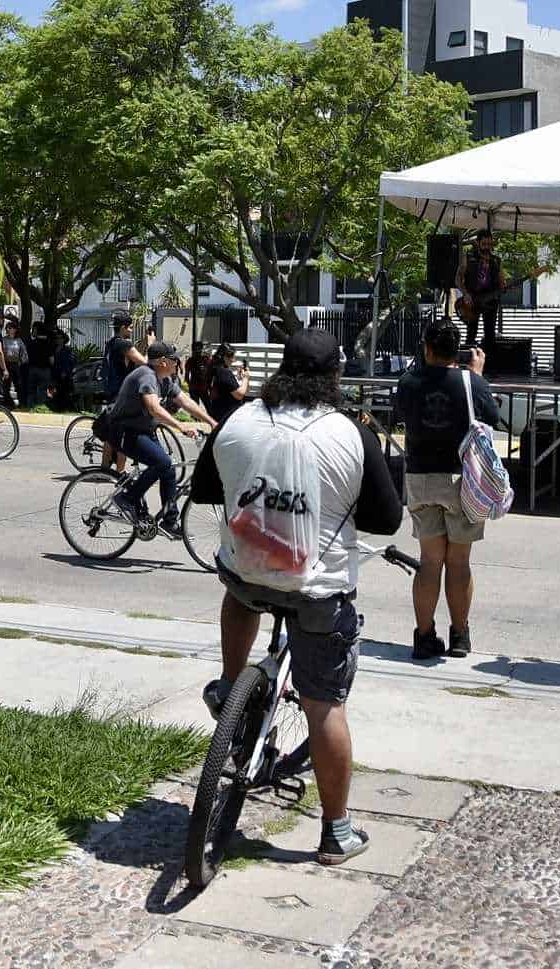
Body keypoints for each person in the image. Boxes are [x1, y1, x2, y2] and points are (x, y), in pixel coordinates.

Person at [207, 329, 404, 866]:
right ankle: (336, 832)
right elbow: (386, 520)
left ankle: (229, 688)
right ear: (335, 375)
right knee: (325, 707)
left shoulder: (239, 419)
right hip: (318, 590)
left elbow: (204, 488)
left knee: (241, 591)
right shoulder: (349, 432)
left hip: (246, 568)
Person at [395, 318, 505, 661]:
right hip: (463, 480)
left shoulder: (408, 381)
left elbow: (401, 416)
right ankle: (460, 636)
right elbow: (492, 416)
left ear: (426, 348)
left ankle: (424, 636)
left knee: (430, 562)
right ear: (455, 350)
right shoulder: (469, 381)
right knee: (459, 562)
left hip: (420, 477)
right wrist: (477, 376)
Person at [108, 341, 214, 527]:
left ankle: (169, 521)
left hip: (144, 431)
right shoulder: (146, 376)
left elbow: (186, 402)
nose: (178, 363)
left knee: (169, 470)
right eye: (175, 359)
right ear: (163, 362)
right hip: (124, 431)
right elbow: (154, 409)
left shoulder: (165, 380)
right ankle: (127, 499)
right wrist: (179, 426)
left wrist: (212, 422)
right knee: (162, 462)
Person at [205, 342, 249, 428]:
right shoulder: (224, 372)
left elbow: (227, 388)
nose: (233, 360)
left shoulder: (215, 369)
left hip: (218, 412)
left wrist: (238, 378)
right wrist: (246, 378)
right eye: (232, 357)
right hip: (227, 416)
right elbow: (239, 394)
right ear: (225, 357)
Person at [49, 329, 77, 410]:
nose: (59, 340)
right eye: (57, 338)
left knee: (64, 394)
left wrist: (65, 371)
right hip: (55, 375)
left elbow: (72, 362)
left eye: (61, 338)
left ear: (64, 339)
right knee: (55, 394)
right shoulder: (53, 349)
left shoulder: (68, 350)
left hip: (65, 376)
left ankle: (65, 408)